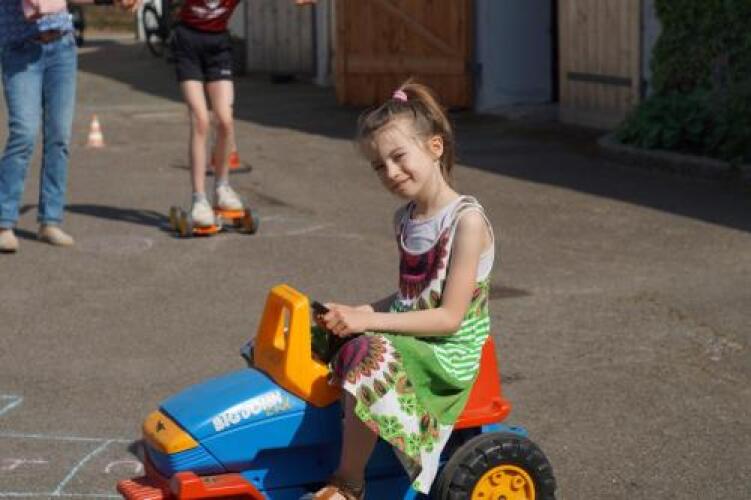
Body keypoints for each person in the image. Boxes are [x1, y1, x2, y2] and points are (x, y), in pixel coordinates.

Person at [308, 81, 496, 499]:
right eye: (379, 166)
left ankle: (349, 482)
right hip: (419, 336)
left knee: (368, 352)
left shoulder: (466, 222)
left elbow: (449, 318)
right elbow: (413, 298)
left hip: (448, 353)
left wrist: (369, 322)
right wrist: (359, 310)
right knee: (324, 335)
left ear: (434, 147)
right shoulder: (405, 219)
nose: (390, 172)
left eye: (398, 157)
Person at [0, 0, 140, 253]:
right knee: (24, 134)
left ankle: (50, 220)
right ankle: (4, 223)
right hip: (20, 51)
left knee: (59, 137)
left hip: (61, 48)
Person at [171, 0, 247, 227]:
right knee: (201, 120)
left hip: (218, 46)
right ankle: (199, 200)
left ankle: (222, 188)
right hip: (187, 43)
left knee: (225, 121)